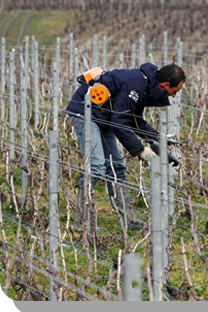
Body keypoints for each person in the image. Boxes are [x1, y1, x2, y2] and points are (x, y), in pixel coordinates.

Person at [66, 62, 186, 232]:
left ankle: (128, 219)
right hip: (84, 113)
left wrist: (158, 139)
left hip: (103, 116)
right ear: (166, 85)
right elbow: (120, 123)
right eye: (174, 92)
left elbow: (135, 119)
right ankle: (81, 223)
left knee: (117, 167)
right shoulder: (136, 85)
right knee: (97, 165)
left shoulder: (145, 86)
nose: (173, 96)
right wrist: (140, 150)